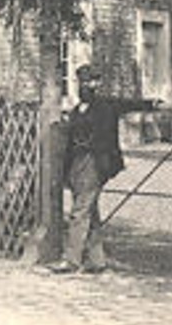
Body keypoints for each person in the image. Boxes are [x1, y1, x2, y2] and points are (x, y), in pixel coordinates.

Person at [47, 64, 161, 274]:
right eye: (85, 82)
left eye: (93, 82)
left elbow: (129, 104)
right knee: (89, 210)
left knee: (79, 211)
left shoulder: (106, 105)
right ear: (79, 83)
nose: (89, 86)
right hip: (76, 165)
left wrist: (152, 104)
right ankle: (97, 260)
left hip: (95, 162)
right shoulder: (76, 110)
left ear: (97, 84)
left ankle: (71, 260)